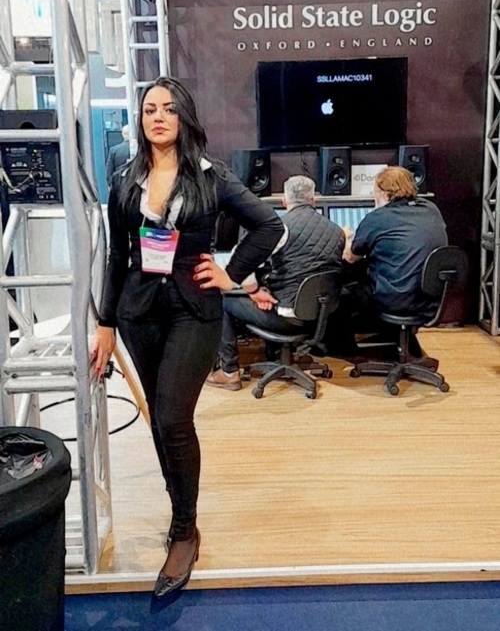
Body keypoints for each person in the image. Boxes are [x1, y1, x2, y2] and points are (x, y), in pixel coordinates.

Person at [91, 77, 284, 598]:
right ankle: (181, 509)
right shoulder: (124, 179)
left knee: (175, 418)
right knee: (160, 421)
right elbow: (117, 255)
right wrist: (105, 322)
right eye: (150, 109)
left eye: (169, 109)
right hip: (138, 313)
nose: (158, 117)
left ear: (185, 117)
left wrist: (231, 273)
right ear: (140, 119)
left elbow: (269, 226)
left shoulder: (211, 176)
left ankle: (184, 530)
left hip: (194, 311)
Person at [206, 175, 345, 390]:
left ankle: (229, 372)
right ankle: (279, 353)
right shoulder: (337, 231)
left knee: (225, 302)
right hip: (320, 315)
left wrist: (254, 292)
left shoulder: (279, 228)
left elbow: (239, 260)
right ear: (314, 200)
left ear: (284, 201)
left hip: (286, 317)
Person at [339, 165, 448, 351]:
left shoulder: (378, 217)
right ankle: (400, 342)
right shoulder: (431, 209)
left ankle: (344, 350)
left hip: (393, 300)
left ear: (384, 193)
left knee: (340, 293)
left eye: (374, 192)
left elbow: (350, 257)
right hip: (429, 300)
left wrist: (344, 236)